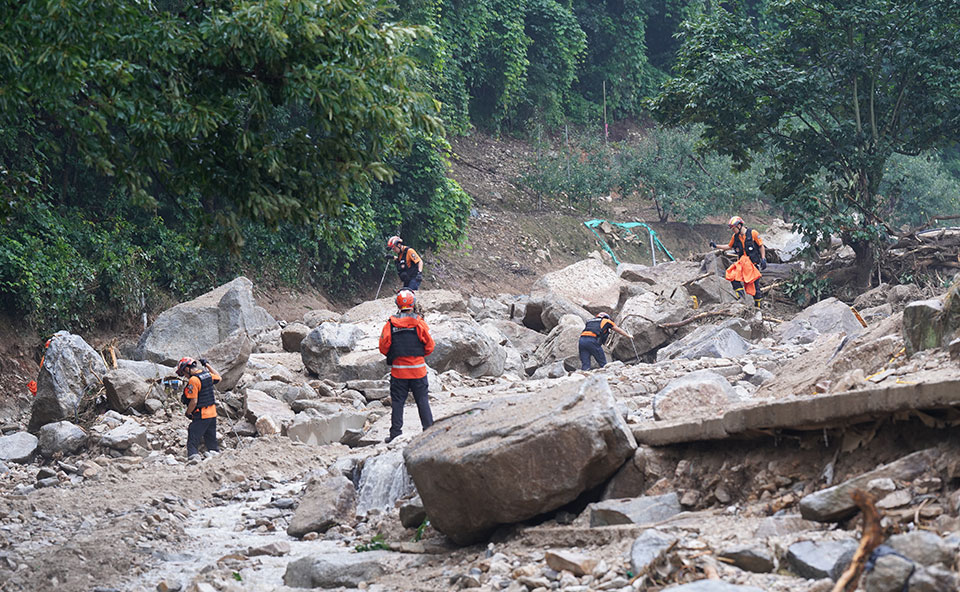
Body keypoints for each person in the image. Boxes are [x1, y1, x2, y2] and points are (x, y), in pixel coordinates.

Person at [378, 289, 435, 443]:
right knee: (422, 400)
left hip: (399, 373)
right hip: (418, 372)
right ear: (413, 304)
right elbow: (430, 346)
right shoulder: (419, 323)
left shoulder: (390, 324)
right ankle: (429, 431)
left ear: (397, 304)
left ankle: (395, 434)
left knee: (397, 403)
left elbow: (383, 347)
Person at [711, 215, 767, 308]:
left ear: (739, 225)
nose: (733, 230)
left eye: (734, 228)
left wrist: (763, 258)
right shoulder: (735, 237)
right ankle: (741, 297)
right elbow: (729, 246)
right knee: (731, 275)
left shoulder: (753, 233)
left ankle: (758, 306)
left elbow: (761, 246)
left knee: (755, 286)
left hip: (753, 264)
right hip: (742, 263)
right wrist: (716, 246)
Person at [176, 357, 221, 459]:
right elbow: (219, 377)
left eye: (184, 373)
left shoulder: (194, 380)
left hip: (202, 414)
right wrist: (208, 365)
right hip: (212, 413)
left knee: (193, 435)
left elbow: (194, 401)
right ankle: (215, 455)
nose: (185, 376)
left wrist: (188, 413)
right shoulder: (207, 374)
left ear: (187, 368)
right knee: (211, 438)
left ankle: (193, 457)